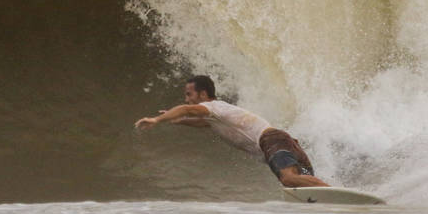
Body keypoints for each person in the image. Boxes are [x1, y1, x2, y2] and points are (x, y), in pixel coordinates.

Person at [134, 75, 328, 188]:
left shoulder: (214, 107)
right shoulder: (217, 115)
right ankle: (335, 195)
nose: (187, 99)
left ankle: (336, 192)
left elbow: (187, 110)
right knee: (297, 183)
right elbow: (201, 123)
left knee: (289, 179)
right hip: (282, 141)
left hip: (271, 141)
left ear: (203, 94)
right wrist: (177, 121)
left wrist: (157, 120)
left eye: (189, 94)